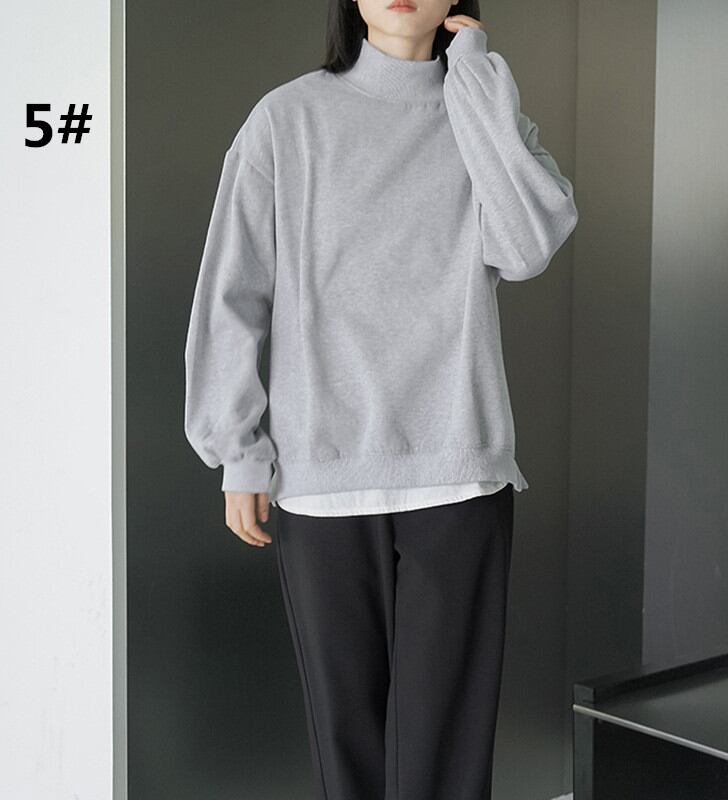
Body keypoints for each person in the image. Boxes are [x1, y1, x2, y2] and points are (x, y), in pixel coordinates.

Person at [184, 0, 578, 797]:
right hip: (322, 476)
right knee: (349, 756)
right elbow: (233, 290)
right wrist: (238, 452)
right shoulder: (285, 120)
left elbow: (529, 245)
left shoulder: (480, 114)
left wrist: (476, 80)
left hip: (458, 471)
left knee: (448, 765)